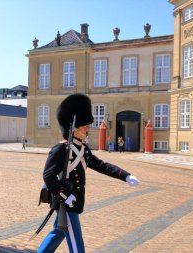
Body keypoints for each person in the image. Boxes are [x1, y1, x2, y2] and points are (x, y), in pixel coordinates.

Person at [37, 93, 139, 253]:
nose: (87, 128)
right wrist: (65, 197)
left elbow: (101, 165)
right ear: (73, 127)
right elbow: (48, 176)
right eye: (84, 126)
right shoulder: (61, 149)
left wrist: (125, 175)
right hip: (66, 203)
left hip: (75, 202)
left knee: (58, 232)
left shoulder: (82, 149)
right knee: (77, 246)